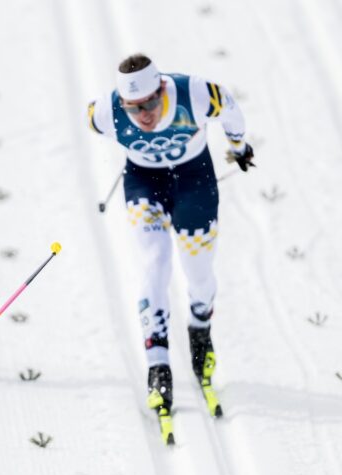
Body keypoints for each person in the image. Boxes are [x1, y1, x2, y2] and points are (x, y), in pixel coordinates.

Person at [87, 53, 254, 435]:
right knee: (154, 264)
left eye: (150, 103)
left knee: (197, 272)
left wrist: (239, 146)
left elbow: (229, 105)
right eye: (134, 108)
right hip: (144, 183)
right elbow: (92, 119)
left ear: (162, 87)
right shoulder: (104, 112)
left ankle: (200, 332)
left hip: (194, 180)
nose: (143, 115)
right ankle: (158, 366)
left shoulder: (193, 92)